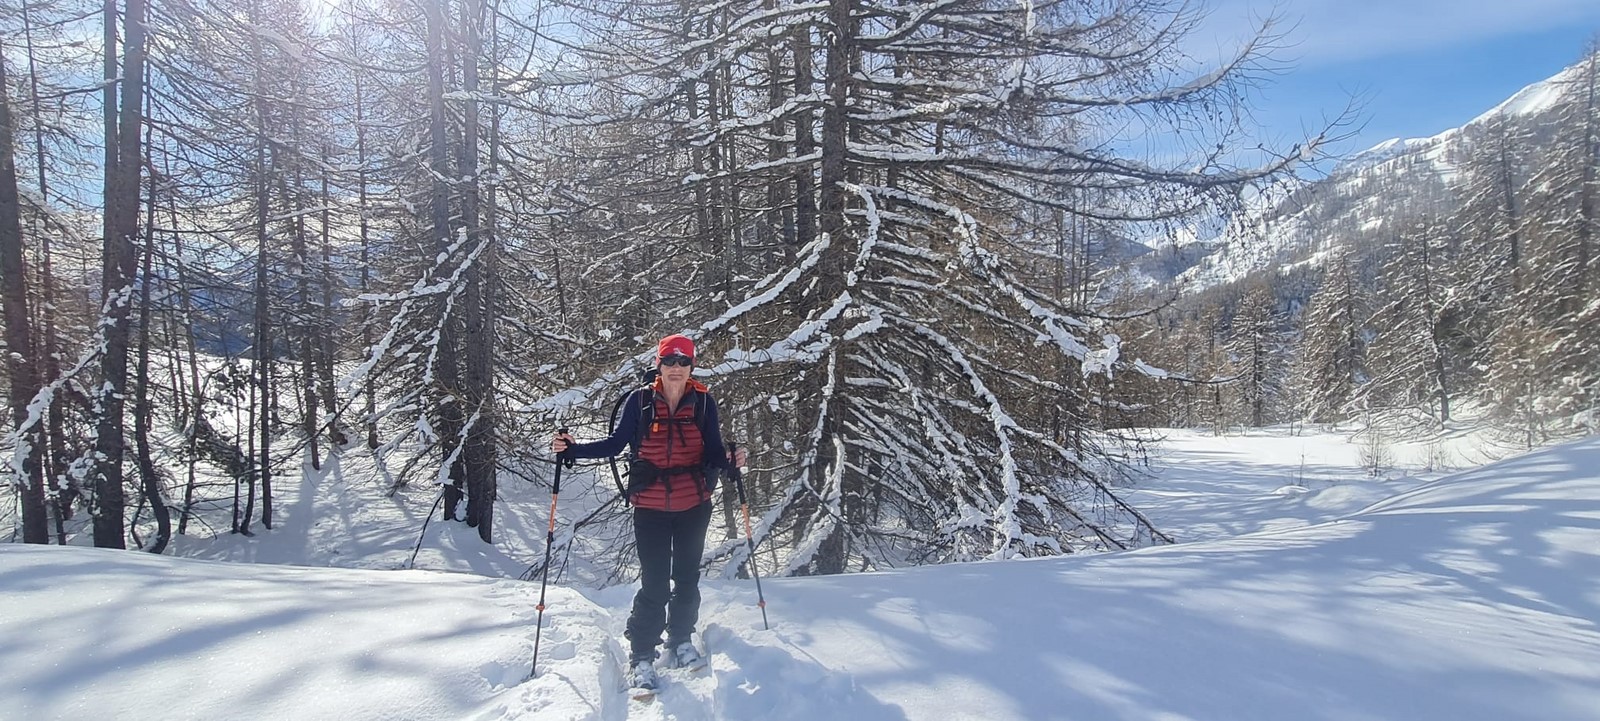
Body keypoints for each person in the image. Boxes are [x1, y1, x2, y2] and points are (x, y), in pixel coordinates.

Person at [551, 334, 747, 692]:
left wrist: (733, 459)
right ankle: (642, 653)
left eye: (683, 361)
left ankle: (681, 639)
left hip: (694, 504)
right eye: (669, 361)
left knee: (686, 578)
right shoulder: (639, 401)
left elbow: (714, 452)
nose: (676, 368)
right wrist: (572, 450)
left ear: (692, 366)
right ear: (659, 364)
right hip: (650, 506)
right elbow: (615, 444)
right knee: (654, 582)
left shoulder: (704, 403)